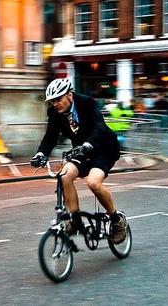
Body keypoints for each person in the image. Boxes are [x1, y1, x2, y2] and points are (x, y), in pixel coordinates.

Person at [30, 78, 127, 244]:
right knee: (65, 175)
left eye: (58, 99)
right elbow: (50, 138)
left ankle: (116, 220)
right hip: (81, 150)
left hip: (103, 148)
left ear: (69, 95)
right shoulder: (54, 113)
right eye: (52, 101)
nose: (55, 104)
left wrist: (89, 143)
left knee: (93, 183)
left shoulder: (87, 103)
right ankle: (75, 220)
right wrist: (40, 154)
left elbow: (99, 127)